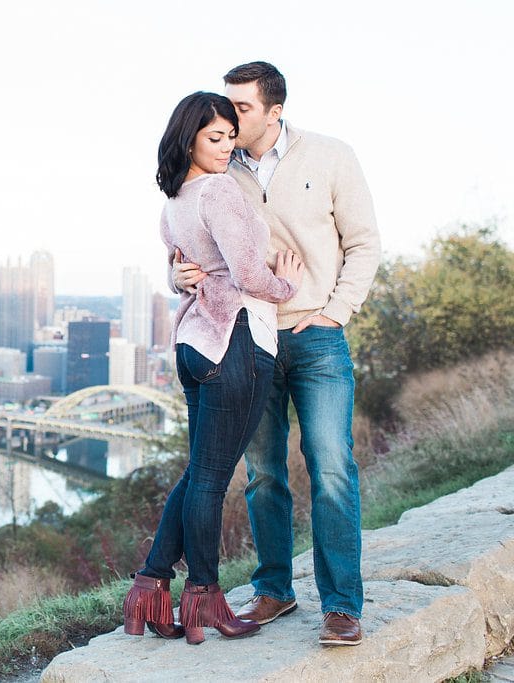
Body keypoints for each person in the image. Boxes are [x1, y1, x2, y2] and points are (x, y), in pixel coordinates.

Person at [172, 62, 381, 646]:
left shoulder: (331, 155)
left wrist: (336, 310)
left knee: (331, 467)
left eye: (239, 108)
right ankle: (274, 590)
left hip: (316, 336)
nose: (227, 117)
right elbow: (191, 242)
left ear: (274, 111)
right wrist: (176, 273)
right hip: (248, 340)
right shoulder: (218, 169)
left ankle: (341, 605)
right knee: (263, 474)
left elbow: (364, 243)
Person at [122, 91, 304, 645]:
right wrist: (288, 285)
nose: (226, 147)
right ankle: (203, 598)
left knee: (198, 471)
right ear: (191, 139)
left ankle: (149, 590)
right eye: (214, 138)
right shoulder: (221, 191)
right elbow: (250, 275)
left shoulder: (174, 200)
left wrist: (180, 278)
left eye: (230, 136)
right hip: (236, 340)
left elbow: (182, 270)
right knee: (211, 479)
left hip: (193, 341)